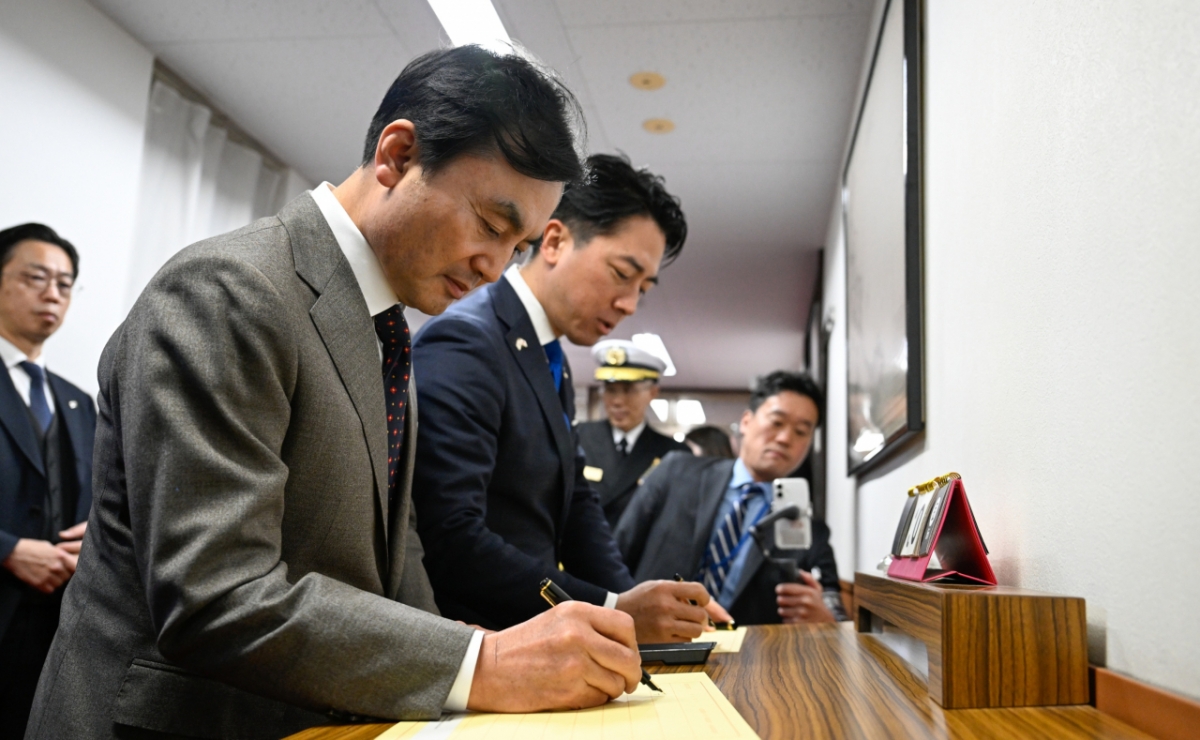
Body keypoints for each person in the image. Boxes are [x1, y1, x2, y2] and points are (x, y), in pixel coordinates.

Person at [26, 47, 648, 740]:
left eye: (518, 245)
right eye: (491, 226)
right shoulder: (228, 292)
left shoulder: (382, 325)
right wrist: (483, 660)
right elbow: (217, 597)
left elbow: (393, 552)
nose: (495, 266)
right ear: (398, 154)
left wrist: (456, 658)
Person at [411, 153, 728, 641]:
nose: (629, 304)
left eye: (643, 288)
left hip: (534, 639)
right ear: (556, 240)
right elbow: (451, 536)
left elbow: (578, 504)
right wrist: (613, 607)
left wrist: (637, 611)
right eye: (622, 274)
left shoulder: (545, 355)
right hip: (478, 644)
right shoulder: (470, 340)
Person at [614, 371, 849, 625]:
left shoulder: (811, 533)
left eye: (801, 431)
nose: (785, 439)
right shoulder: (677, 473)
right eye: (777, 422)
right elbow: (618, 553)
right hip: (649, 646)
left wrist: (825, 620)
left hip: (748, 659)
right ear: (747, 421)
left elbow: (835, 609)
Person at [0, 223, 95, 738]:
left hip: (51, 626)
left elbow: (101, 498)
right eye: (37, 277)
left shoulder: (79, 401)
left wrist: (94, 541)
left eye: (64, 283)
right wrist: (9, 549)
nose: (52, 293)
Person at [576, 339, 689, 528]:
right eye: (610, 390)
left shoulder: (673, 453)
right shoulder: (578, 438)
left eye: (629, 390)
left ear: (652, 392)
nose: (618, 401)